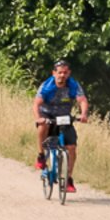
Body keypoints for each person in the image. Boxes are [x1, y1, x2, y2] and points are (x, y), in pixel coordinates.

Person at [33, 58, 89, 193]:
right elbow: (36, 104)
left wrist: (83, 114)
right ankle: (41, 156)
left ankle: (68, 178)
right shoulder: (47, 86)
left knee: (72, 148)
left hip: (64, 117)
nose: (62, 75)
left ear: (68, 73)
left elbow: (82, 100)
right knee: (43, 127)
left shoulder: (73, 85)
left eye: (65, 73)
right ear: (54, 73)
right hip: (47, 116)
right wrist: (38, 118)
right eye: (59, 73)